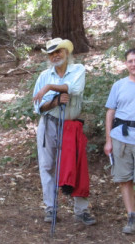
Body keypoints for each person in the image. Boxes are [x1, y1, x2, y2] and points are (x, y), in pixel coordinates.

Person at [33, 37, 96, 226]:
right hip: (49, 123)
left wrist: (50, 87)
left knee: (76, 166)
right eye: (51, 53)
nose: (55, 56)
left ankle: (81, 210)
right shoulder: (44, 75)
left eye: (58, 51)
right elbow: (38, 107)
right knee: (47, 166)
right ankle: (51, 208)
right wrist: (54, 101)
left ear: (66, 53)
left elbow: (75, 89)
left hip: (71, 125)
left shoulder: (78, 70)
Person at [104, 48, 135, 234]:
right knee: (124, 179)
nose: (134, 64)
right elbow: (110, 112)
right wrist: (108, 140)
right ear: (125, 64)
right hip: (120, 138)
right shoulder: (119, 85)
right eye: (130, 61)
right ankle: (131, 216)